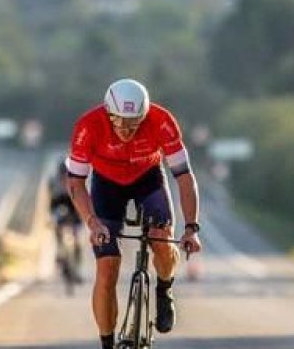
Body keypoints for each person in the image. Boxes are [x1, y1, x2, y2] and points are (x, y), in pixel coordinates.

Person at [64, 78, 202, 349]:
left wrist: (191, 229)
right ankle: (107, 343)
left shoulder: (162, 121)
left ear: (145, 115)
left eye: (134, 123)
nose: (126, 131)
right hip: (106, 185)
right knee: (107, 268)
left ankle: (164, 289)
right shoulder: (88, 126)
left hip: (147, 178)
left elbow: (185, 176)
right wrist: (92, 223)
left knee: (161, 239)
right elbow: (75, 183)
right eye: (119, 123)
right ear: (107, 113)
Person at [49, 155, 84, 285]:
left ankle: (76, 268)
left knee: (76, 240)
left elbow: (80, 202)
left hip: (73, 208)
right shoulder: (53, 181)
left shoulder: (74, 181)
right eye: (62, 174)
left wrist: (82, 216)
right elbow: (51, 203)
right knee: (58, 231)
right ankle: (59, 254)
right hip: (59, 206)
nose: (64, 177)